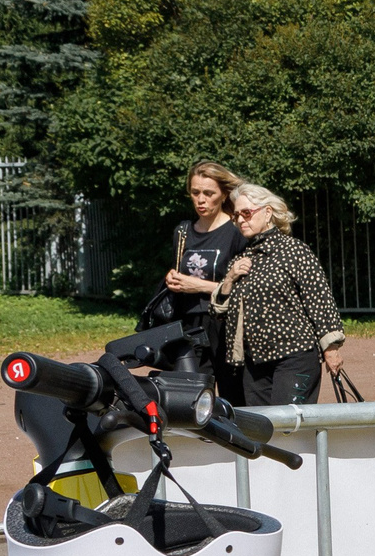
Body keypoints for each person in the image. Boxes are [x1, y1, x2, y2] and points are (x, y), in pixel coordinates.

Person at [212, 185, 347, 405]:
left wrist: (331, 349)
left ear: (268, 212)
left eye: (247, 213)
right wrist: (229, 280)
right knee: (262, 430)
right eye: (236, 216)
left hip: (295, 356)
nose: (240, 220)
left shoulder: (294, 250)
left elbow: (320, 301)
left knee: (289, 429)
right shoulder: (240, 259)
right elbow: (218, 313)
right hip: (254, 364)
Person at [147, 161, 245, 394]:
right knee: (192, 395)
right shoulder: (183, 231)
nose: (201, 199)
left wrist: (198, 285)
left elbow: (243, 288)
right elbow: (180, 270)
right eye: (195, 192)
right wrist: (172, 279)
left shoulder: (236, 231)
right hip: (188, 324)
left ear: (223, 195)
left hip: (224, 323)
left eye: (209, 193)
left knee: (233, 394)